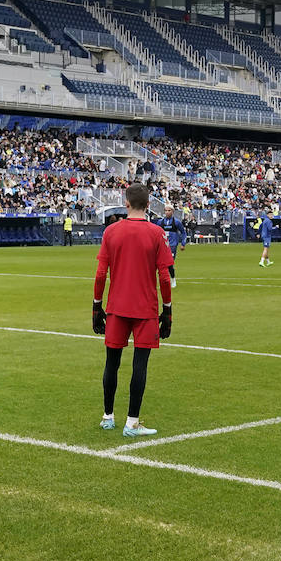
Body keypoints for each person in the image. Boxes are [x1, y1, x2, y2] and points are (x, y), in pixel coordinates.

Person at [93, 183, 173, 437]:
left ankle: (107, 417)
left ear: (126, 203)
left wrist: (97, 305)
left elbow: (100, 273)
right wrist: (168, 309)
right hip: (145, 308)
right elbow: (164, 276)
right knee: (140, 364)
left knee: (111, 363)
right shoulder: (157, 233)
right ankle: (132, 422)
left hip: (116, 307)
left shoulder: (111, 232)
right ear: (148, 205)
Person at [155, 205, 188, 288]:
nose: (167, 212)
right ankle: (162, 280)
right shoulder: (160, 222)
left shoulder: (176, 222)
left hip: (172, 245)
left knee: (169, 264)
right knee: (159, 264)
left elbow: (183, 233)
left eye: (169, 210)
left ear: (172, 211)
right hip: (163, 246)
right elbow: (156, 233)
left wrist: (183, 243)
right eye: (165, 210)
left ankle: (173, 279)